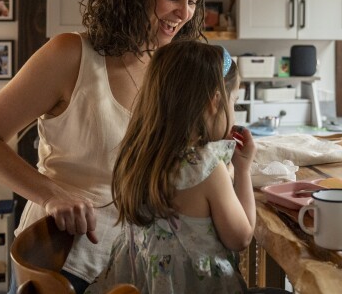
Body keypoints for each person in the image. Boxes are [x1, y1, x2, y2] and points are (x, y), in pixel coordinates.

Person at [0, 0, 208, 294]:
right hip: (65, 257)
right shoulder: (71, 55)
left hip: (137, 261)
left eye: (193, 1)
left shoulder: (165, 65)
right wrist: (51, 196)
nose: (184, 13)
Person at [90, 42, 255, 294]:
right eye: (234, 102)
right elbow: (240, 238)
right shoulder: (207, 169)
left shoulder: (136, 156)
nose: (233, 112)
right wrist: (243, 170)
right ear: (215, 101)